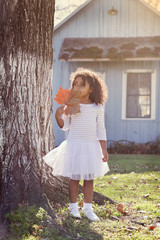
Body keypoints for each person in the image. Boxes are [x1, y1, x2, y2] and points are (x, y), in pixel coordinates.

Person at [43, 68, 109, 221]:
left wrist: (103, 149)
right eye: (75, 84)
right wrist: (58, 115)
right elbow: (65, 126)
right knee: (74, 178)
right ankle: (73, 208)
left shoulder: (97, 108)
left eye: (82, 85)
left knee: (89, 179)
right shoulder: (70, 106)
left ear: (91, 88)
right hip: (74, 145)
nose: (77, 87)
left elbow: (101, 130)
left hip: (91, 146)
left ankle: (88, 208)